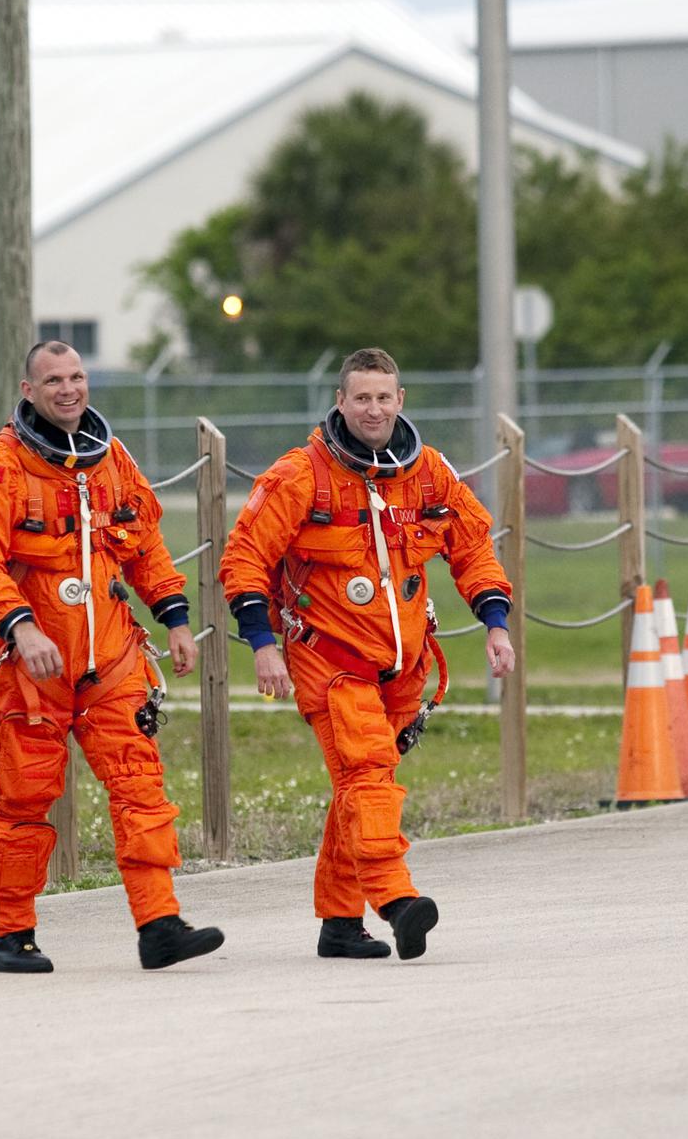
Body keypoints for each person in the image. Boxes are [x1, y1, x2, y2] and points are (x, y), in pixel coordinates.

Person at [219, 348, 515, 962]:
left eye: (384, 397)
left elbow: (473, 549)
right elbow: (244, 558)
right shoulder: (301, 476)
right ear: (340, 401)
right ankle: (396, 901)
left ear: (400, 400)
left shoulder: (429, 474)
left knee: (361, 788)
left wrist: (495, 624)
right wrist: (262, 644)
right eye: (362, 398)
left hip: (403, 668)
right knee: (366, 773)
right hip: (328, 660)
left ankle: (339, 925)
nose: (374, 409)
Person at [0, 341, 224, 974]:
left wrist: (176, 619)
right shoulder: (1, 469)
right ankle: (11, 934)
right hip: (32, 668)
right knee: (22, 799)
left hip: (112, 660)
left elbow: (146, 546)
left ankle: (160, 925)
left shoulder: (112, 460)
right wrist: (20, 626)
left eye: (76, 377)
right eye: (53, 380)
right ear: (28, 390)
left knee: (141, 788)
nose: (68, 389)